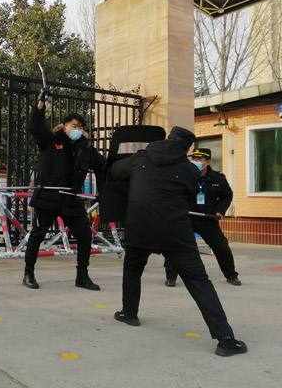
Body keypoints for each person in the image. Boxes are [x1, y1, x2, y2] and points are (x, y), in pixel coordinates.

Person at [110, 126, 246, 356]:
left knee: (132, 270)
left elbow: (114, 171)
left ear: (168, 138)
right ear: (187, 148)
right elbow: (190, 196)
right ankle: (225, 339)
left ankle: (129, 313)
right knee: (198, 281)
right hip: (175, 232)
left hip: (140, 228)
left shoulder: (140, 159)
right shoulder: (189, 170)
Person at [22, 86, 105, 290]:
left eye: (80, 126)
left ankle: (82, 276)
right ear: (65, 126)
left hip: (71, 199)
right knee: (37, 235)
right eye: (73, 125)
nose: (77, 129)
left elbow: (103, 167)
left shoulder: (86, 148)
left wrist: (103, 191)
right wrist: (41, 102)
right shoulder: (50, 141)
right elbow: (35, 125)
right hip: (48, 197)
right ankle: (28, 274)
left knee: (85, 235)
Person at [164, 148, 240, 287]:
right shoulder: (184, 176)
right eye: (193, 159)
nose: (195, 161)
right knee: (175, 247)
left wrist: (220, 211)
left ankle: (231, 275)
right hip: (186, 218)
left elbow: (226, 196)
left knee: (222, 247)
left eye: (199, 159)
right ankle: (171, 277)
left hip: (207, 219)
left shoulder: (218, 178)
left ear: (207, 162)